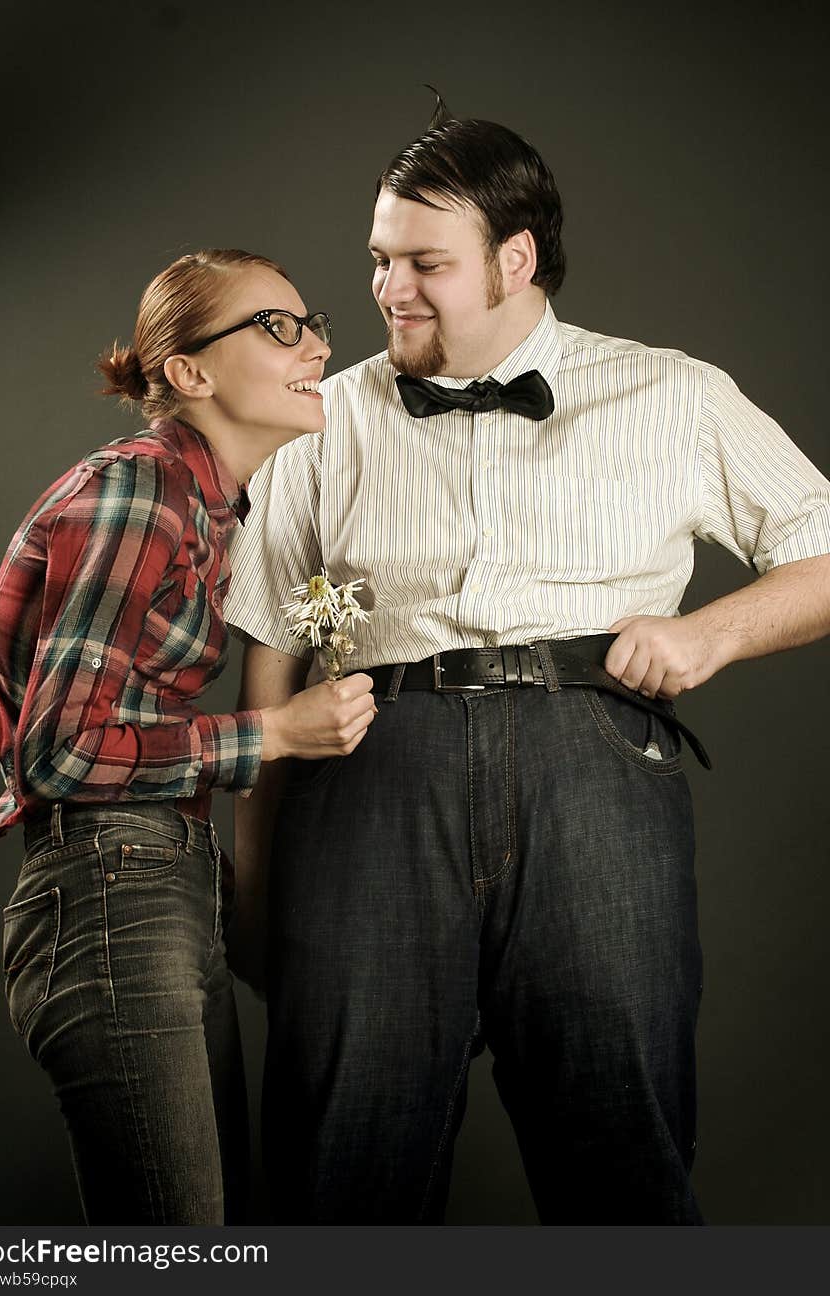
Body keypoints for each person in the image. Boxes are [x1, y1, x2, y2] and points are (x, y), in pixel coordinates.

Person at [223, 108, 830, 1224]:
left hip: (592, 769)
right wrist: (252, 893)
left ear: (515, 259)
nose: (389, 288)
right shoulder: (323, 417)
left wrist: (708, 633)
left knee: (620, 1139)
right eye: (378, 260)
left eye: (423, 264)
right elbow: (268, 655)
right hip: (369, 778)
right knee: (339, 1155)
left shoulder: (673, 393)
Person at [0, 247, 376, 1226]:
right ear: (191, 372)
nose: (317, 345)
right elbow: (59, 753)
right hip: (114, 888)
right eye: (277, 328)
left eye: (313, 323)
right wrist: (274, 733)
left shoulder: (209, 512)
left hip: (161, 881)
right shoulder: (140, 489)